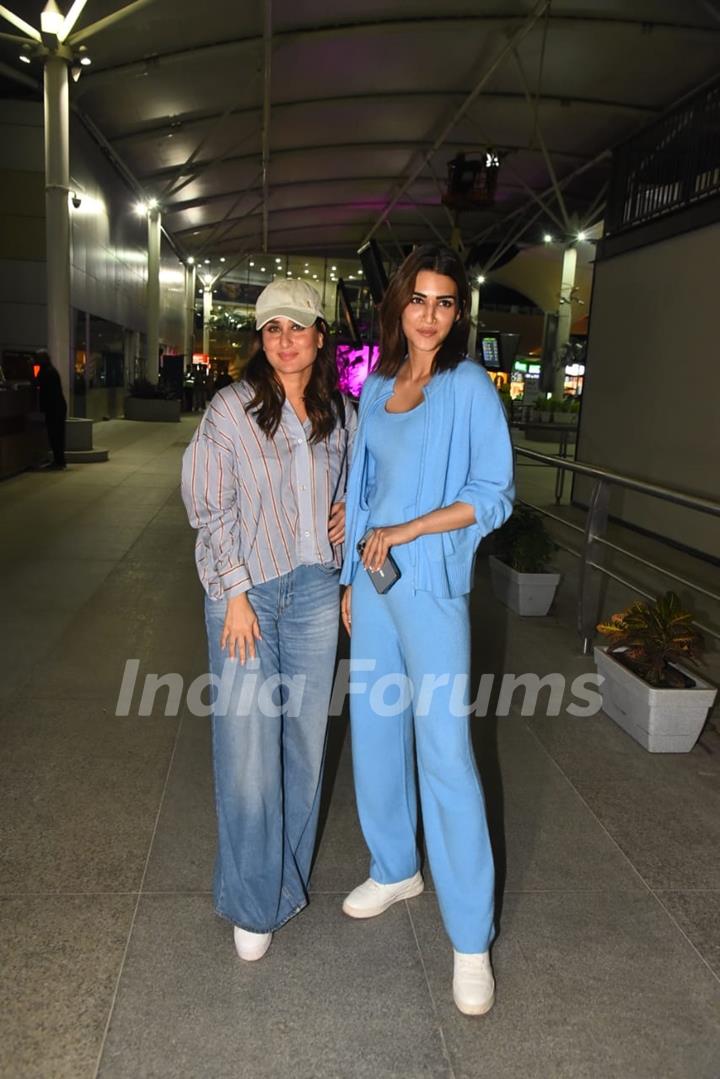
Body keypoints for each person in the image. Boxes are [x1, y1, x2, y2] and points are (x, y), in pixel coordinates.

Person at [340, 244, 514, 1016]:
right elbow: (360, 483)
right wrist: (350, 574)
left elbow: (494, 493)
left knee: (445, 751)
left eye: (445, 302)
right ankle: (394, 864)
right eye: (420, 299)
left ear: (457, 313)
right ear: (398, 305)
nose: (431, 314)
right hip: (375, 585)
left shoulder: (468, 385)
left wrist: (409, 529)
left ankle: (470, 938)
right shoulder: (377, 383)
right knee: (375, 728)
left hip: (432, 584)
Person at [181, 279, 356, 962]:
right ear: (261, 338)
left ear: (319, 335)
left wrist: (352, 518)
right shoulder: (230, 409)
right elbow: (208, 502)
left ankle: (281, 879)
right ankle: (254, 901)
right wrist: (233, 592)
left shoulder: (340, 413)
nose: (285, 338)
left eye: (298, 325)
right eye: (272, 326)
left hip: (315, 590)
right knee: (248, 749)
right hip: (247, 595)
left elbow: (356, 486)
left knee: (305, 749)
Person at [35, 349, 68, 471]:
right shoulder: (50, 370)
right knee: (58, 435)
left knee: (55, 435)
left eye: (38, 358)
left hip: (54, 408)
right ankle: (60, 461)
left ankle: (58, 461)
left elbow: (37, 382)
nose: (36, 361)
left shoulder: (46, 371)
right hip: (57, 406)